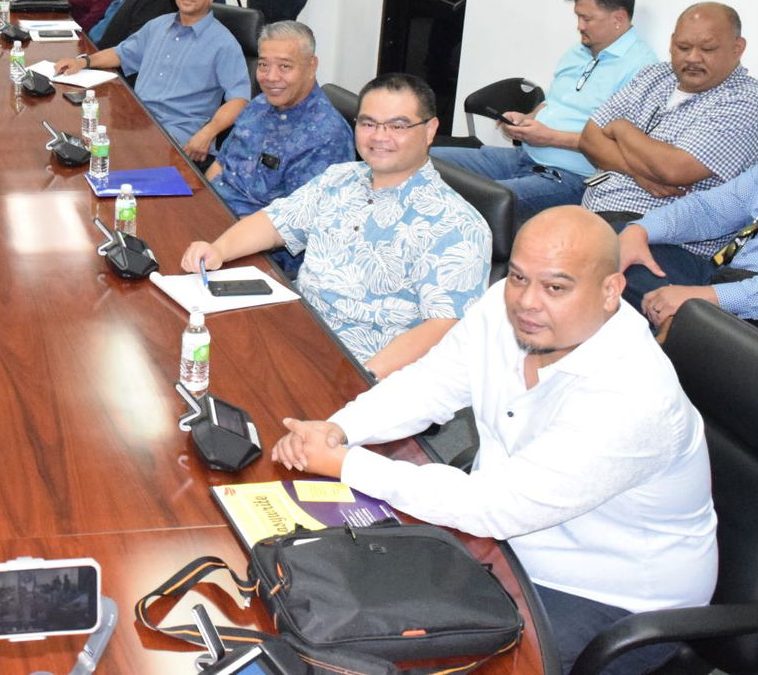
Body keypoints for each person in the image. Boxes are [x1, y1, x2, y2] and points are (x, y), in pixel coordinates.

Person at [271, 207, 716, 675]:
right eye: (519, 277)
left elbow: (496, 506)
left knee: (402, 658)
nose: (527, 301)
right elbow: (430, 384)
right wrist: (339, 430)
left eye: (556, 287)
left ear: (611, 291)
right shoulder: (508, 310)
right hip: (497, 546)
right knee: (326, 604)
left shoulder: (633, 395)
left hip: (608, 600)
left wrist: (345, 463)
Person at [182, 73, 490, 376]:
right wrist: (218, 249)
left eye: (397, 126)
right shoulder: (340, 178)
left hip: (362, 368)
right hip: (296, 334)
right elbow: (277, 222)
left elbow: (444, 327)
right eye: (368, 123)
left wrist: (363, 378)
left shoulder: (457, 225)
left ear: (430, 129)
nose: (379, 137)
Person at [432, 0, 657, 220]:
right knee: (423, 162)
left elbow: (619, 147)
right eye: (578, 16)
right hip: (525, 155)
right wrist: (526, 119)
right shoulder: (579, 51)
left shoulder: (643, 70)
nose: (579, 26)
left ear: (618, 18)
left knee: (479, 203)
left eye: (587, 18)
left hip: (570, 178)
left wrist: (550, 137)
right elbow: (553, 103)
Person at [582, 2, 758, 235]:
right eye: (683, 47)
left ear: (737, 48)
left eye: (707, 49)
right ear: (671, 43)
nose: (693, 58)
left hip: (662, 233)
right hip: (594, 210)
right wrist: (638, 173)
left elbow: (673, 169)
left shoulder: (747, 100)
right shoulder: (654, 75)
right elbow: (589, 138)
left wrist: (621, 128)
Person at [55, 0, 250, 161]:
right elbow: (121, 53)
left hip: (177, 138)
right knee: (67, 136)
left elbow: (239, 99)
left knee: (95, 161)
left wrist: (208, 133)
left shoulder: (223, 43)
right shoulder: (158, 25)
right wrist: (82, 61)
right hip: (136, 123)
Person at [205, 21, 353, 219]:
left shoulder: (327, 137)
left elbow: (295, 226)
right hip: (213, 211)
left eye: (284, 66)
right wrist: (199, 208)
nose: (270, 77)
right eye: (264, 65)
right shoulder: (259, 104)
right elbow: (220, 165)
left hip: (255, 239)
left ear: (312, 66)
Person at [617, 161, 758, 329]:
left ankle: (673, 332)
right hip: (723, 278)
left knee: (683, 325)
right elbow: (709, 210)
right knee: (613, 242)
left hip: (753, 309)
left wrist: (709, 298)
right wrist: (641, 231)